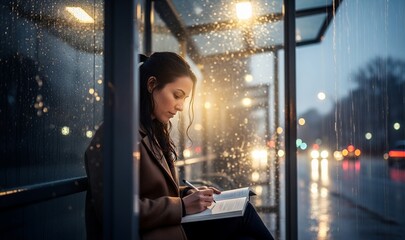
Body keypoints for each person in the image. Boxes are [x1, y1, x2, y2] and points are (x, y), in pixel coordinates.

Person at [85, 52, 274, 240]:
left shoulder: (150, 133)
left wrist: (191, 194)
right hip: (155, 232)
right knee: (245, 214)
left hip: (168, 227)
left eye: (184, 99)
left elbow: (157, 193)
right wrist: (183, 206)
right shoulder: (117, 133)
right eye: (177, 95)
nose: (181, 106)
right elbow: (116, 210)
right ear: (151, 85)